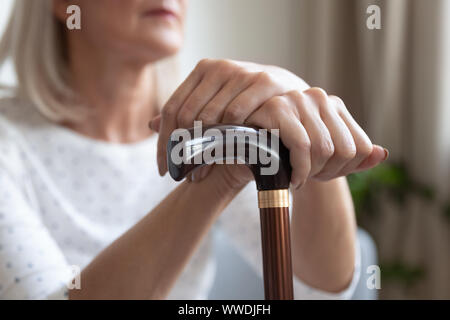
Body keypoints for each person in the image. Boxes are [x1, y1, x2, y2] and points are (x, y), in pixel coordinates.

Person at [0, 0, 388, 299]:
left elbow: (321, 288)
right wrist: (213, 182)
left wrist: (303, 132)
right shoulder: (9, 142)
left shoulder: (208, 127)